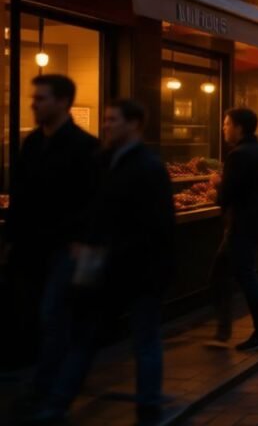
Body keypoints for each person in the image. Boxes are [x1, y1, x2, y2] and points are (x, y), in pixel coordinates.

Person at [28, 100, 174, 425]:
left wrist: (110, 249)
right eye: (105, 120)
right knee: (85, 338)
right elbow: (93, 212)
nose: (106, 125)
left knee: (143, 341)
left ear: (134, 124)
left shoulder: (147, 166)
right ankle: (57, 404)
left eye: (113, 120)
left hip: (138, 270)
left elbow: (157, 227)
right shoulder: (102, 161)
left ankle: (148, 408)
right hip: (103, 269)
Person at [5, 75, 100, 415]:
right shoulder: (31, 145)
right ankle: (46, 387)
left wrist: (82, 242)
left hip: (67, 250)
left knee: (55, 318)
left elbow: (94, 203)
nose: (33, 103)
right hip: (32, 249)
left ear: (62, 102)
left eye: (41, 98)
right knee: (42, 318)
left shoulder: (85, 147)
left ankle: (51, 393)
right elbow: (20, 196)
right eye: (34, 98)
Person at [209, 108, 258, 352]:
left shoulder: (238, 155)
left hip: (242, 224)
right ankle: (223, 330)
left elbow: (228, 195)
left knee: (244, 275)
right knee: (223, 272)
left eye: (227, 124)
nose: (223, 128)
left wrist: (217, 185)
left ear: (239, 128)